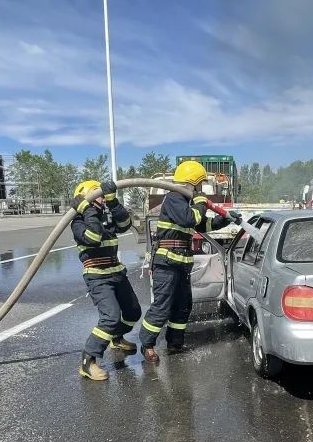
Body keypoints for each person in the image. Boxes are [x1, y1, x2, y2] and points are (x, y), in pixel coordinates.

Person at [138, 161, 239, 363]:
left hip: (181, 265)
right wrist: (201, 202)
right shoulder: (174, 198)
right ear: (192, 182)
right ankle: (147, 345)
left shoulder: (186, 203)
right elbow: (189, 219)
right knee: (162, 306)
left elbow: (203, 224)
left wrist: (227, 219)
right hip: (166, 264)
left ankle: (175, 342)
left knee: (183, 305)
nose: (200, 189)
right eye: (200, 184)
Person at [69, 179, 141, 381]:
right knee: (110, 317)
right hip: (97, 276)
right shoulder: (78, 222)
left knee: (133, 312)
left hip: (116, 272)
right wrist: (87, 210)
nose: (101, 196)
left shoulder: (104, 216)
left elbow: (125, 224)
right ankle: (88, 361)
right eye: (98, 193)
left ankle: (116, 338)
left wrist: (113, 202)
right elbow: (92, 237)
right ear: (87, 198)